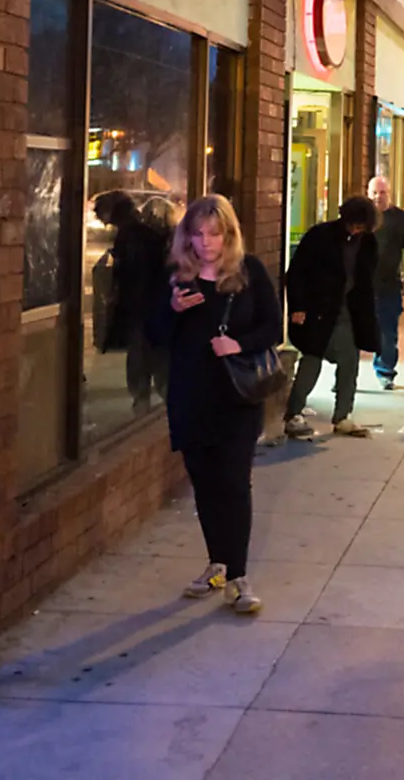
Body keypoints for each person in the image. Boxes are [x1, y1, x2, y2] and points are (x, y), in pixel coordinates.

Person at [154, 195, 281, 615]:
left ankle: (239, 576)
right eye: (198, 234)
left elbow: (272, 328)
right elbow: (152, 334)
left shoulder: (249, 274)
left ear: (229, 235)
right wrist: (172, 309)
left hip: (235, 398)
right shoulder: (177, 278)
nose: (206, 243)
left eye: (215, 234)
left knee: (233, 483)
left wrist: (237, 344)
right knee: (204, 484)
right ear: (186, 236)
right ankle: (217, 562)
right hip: (191, 396)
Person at [283, 196, 380, 438]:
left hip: (349, 309)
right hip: (319, 308)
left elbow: (367, 278)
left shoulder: (368, 242)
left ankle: (343, 415)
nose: (356, 230)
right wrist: (298, 306)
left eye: (361, 227)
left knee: (349, 360)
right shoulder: (320, 236)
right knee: (312, 357)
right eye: (353, 225)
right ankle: (293, 412)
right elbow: (297, 272)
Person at [93, 190, 172, 414]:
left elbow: (134, 276)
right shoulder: (143, 233)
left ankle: (145, 405)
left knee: (144, 360)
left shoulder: (132, 235)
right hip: (149, 307)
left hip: (142, 308)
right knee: (150, 360)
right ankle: (151, 404)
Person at [368, 176, 404, 391]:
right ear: (369, 195)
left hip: (389, 284)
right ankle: (344, 374)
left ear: (390, 193)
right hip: (361, 286)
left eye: (383, 192)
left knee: (388, 331)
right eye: (375, 193)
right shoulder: (362, 217)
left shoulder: (400, 219)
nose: (379, 196)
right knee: (351, 331)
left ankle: (385, 371)